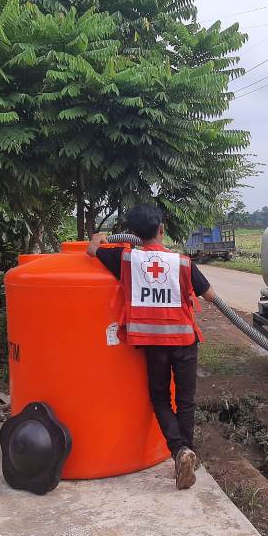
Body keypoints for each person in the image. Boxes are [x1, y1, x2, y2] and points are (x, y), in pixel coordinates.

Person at [86, 204, 215, 490]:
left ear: (133, 234)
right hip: (184, 342)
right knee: (186, 401)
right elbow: (208, 295)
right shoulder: (182, 262)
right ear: (162, 229)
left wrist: (102, 237)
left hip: (153, 344)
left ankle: (180, 451)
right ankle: (187, 454)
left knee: (159, 399)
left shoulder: (124, 259)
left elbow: (92, 248)